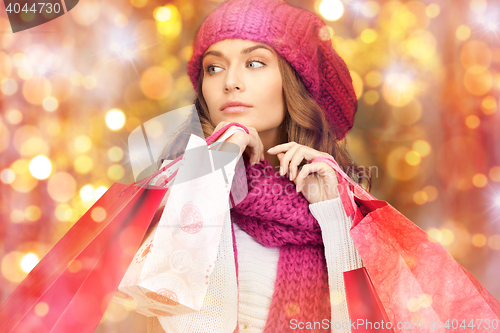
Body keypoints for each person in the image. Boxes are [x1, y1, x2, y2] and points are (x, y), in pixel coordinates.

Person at [146, 0, 373, 332]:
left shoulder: (344, 203)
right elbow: (180, 317)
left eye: (254, 63)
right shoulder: (181, 185)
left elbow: (365, 323)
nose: (231, 82)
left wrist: (332, 212)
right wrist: (217, 167)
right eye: (214, 67)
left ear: (294, 83)